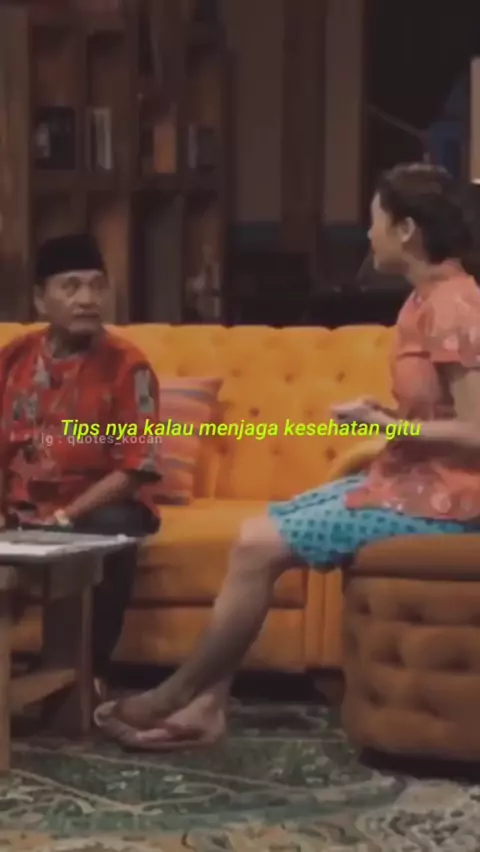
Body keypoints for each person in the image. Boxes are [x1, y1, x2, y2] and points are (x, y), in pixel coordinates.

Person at [95, 163, 480, 750]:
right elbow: (441, 412)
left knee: (257, 546)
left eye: (375, 221)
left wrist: (391, 427)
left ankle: (180, 694)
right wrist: (389, 416)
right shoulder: (423, 301)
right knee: (260, 531)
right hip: (410, 479)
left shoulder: (454, 306)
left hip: (450, 498)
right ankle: (205, 707)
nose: (367, 234)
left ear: (406, 230)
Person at [0, 233, 162, 701]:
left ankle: (86, 671)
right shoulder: (14, 358)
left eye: (96, 286)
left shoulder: (128, 366)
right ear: (40, 298)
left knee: (111, 527)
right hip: (21, 506)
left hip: (95, 506)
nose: (87, 299)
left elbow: (136, 467)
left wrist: (66, 517)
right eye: (71, 287)